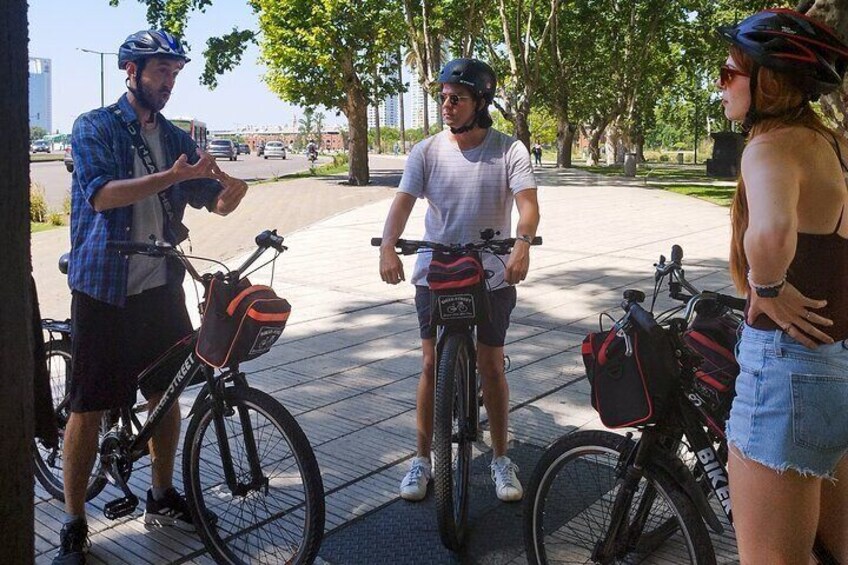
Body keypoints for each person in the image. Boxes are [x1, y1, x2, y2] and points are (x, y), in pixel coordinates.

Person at [54, 29, 248, 564]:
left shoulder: (174, 135)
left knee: (168, 394)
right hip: (104, 287)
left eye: (174, 73)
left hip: (160, 283)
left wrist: (232, 190)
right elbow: (100, 193)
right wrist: (170, 177)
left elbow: (212, 199)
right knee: (88, 406)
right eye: (160, 71)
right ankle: (73, 523)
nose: (168, 81)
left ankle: (161, 494)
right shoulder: (94, 125)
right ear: (131, 72)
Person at [717, 9, 848, 563]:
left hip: (786, 371)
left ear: (766, 81)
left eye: (727, 74)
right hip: (835, 362)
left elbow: (769, 233)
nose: (719, 87)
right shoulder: (834, 144)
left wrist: (767, 288)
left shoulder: (769, 146)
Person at [378, 58, 540, 503]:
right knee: (430, 365)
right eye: (443, 98)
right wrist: (388, 246)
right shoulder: (426, 151)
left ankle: (501, 459)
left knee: (491, 363)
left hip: (492, 272)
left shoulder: (510, 150)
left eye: (457, 98)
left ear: (481, 102)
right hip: (437, 271)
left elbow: (528, 205)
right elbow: (403, 204)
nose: (447, 105)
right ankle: (422, 459)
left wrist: (522, 245)